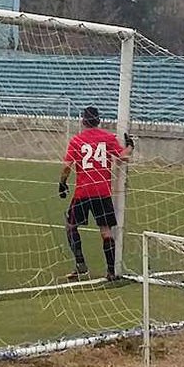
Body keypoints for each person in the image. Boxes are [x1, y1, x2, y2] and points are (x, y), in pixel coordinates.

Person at [58, 106, 129, 282]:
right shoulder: (108, 138)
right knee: (105, 230)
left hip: (83, 192)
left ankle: (80, 263)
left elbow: (67, 166)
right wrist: (130, 147)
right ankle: (111, 271)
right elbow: (123, 157)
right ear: (98, 120)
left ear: (83, 121)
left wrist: (62, 183)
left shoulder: (77, 140)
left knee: (71, 225)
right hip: (102, 192)